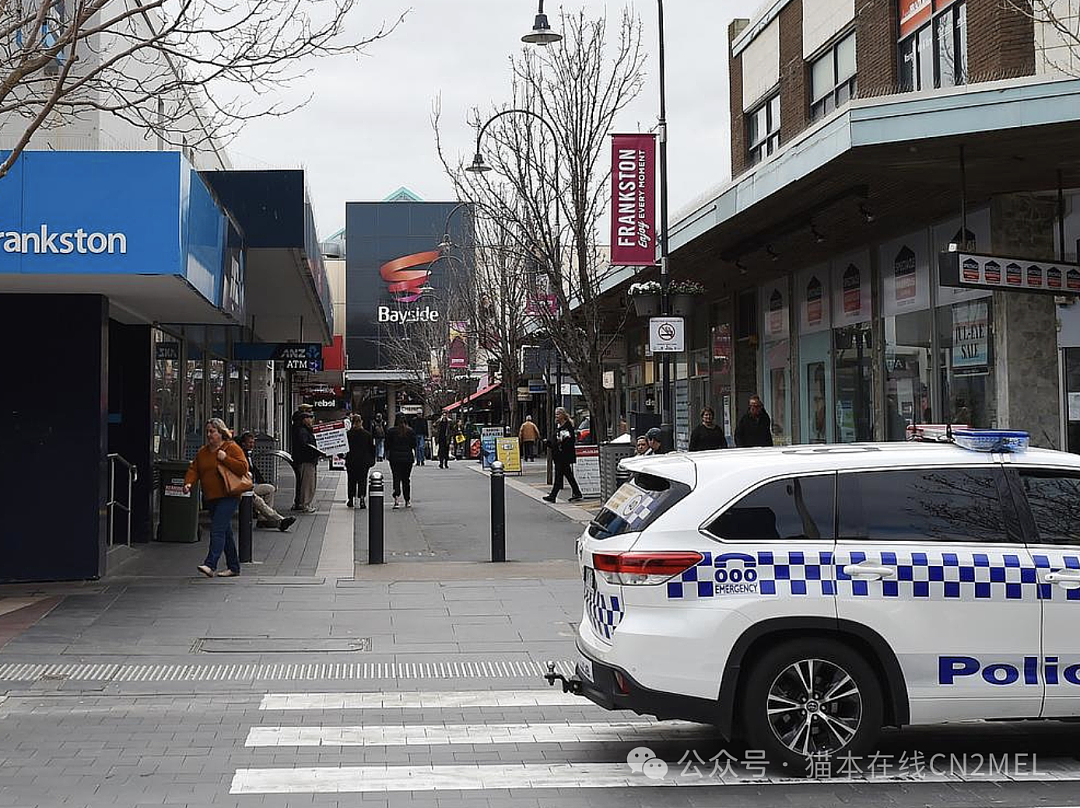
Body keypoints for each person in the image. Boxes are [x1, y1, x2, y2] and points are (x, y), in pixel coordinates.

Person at [183, 418, 249, 578]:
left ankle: (210, 564)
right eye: (207, 431)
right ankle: (234, 567)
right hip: (211, 497)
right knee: (225, 532)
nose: (208, 435)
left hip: (229, 495)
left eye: (212, 431)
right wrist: (188, 483)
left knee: (217, 529)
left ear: (221, 433)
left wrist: (224, 458)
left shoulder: (231, 448)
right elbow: (194, 469)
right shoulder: (203, 452)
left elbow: (243, 468)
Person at [238, 432, 295, 532]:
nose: (252, 445)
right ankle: (279, 520)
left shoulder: (249, 455)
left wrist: (261, 482)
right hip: (243, 488)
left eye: (253, 442)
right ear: (243, 444)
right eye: (249, 443)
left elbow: (254, 471)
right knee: (258, 500)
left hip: (252, 485)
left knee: (270, 489)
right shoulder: (240, 455)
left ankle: (263, 519)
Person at [543, 407, 583, 503]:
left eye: (558, 414)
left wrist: (559, 441)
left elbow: (569, 440)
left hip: (563, 455)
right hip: (559, 455)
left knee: (558, 475)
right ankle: (577, 492)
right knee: (568, 475)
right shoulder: (559, 426)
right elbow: (555, 440)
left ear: (563, 415)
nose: (556, 416)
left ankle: (553, 496)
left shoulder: (567, 426)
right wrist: (549, 442)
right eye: (556, 414)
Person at [290, 410, 321, 512]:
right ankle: (305, 504)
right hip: (306, 460)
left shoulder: (301, 429)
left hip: (304, 459)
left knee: (302, 482)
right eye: (309, 418)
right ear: (304, 419)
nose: (311, 420)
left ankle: (299, 503)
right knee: (307, 484)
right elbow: (306, 446)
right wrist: (317, 451)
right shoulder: (303, 431)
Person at [385, 413, 416, 509]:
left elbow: (387, 445)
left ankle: (396, 499)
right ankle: (407, 500)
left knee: (396, 478)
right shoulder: (410, 431)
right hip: (407, 458)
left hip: (395, 458)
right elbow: (414, 444)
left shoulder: (391, 431)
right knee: (406, 479)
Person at [345, 415, 376, 508]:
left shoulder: (348, 434)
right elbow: (372, 448)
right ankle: (362, 498)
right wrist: (372, 459)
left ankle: (351, 499)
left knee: (351, 480)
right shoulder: (367, 434)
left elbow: (344, 448)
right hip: (363, 461)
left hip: (351, 461)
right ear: (361, 422)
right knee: (362, 480)